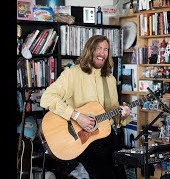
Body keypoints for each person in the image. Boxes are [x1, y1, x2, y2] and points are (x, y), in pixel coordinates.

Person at [40, 35, 132, 179]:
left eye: (106, 50)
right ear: (89, 50)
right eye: (99, 48)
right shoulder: (73, 73)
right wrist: (77, 116)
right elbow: (47, 97)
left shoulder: (110, 79)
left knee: (121, 170)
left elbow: (112, 114)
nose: (102, 53)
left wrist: (122, 115)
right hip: (79, 138)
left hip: (104, 135)